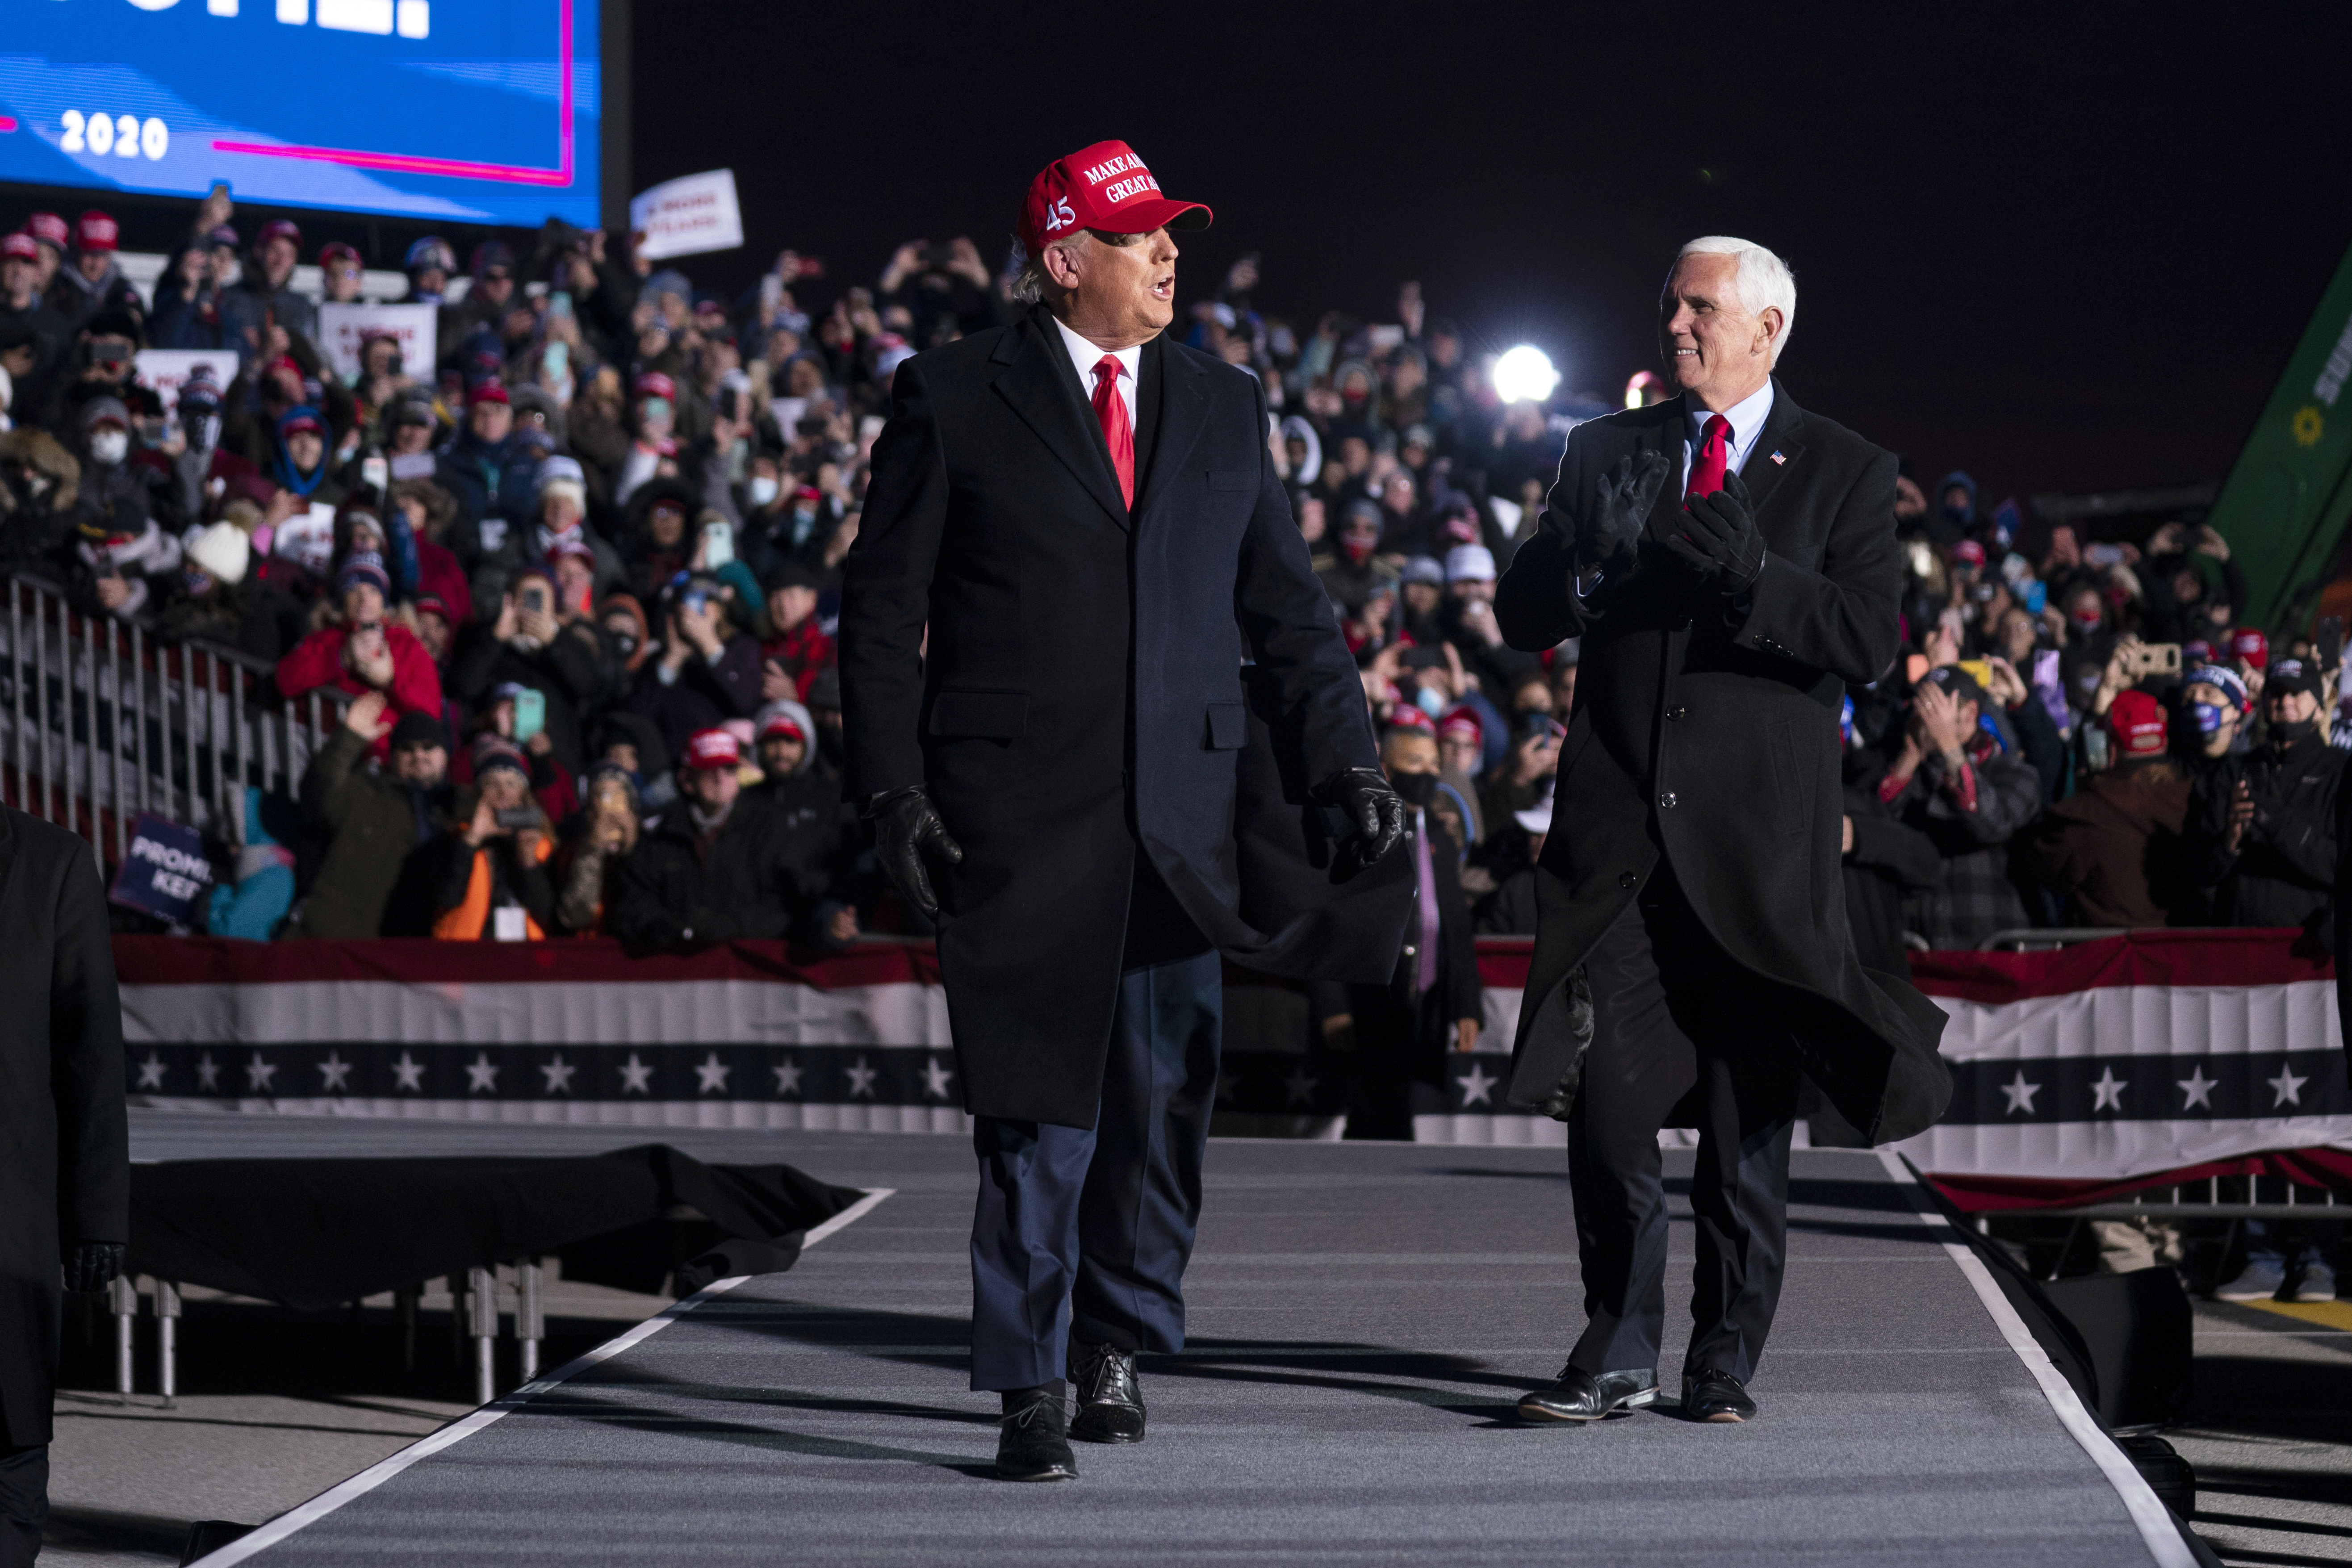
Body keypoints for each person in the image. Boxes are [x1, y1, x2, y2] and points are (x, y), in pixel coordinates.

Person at [838, 141, 1406, 1482]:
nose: (1168, 253)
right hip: (1012, 817)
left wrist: (1352, 763)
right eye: (1138, 232)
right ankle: (1029, 1376)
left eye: (1171, 233)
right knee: (1038, 1109)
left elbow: (1290, 612)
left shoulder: (1225, 404)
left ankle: (1120, 1337)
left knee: (1161, 1101)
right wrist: (889, 788)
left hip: (1183, 820)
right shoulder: (949, 396)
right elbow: (879, 616)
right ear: (1061, 258)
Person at [1490, 236, 1949, 1426]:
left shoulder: (1846, 467)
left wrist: (1756, 574)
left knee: (1746, 1127)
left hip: (1755, 856)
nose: (1676, 326)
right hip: (1619, 844)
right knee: (1605, 1104)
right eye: (1668, 306)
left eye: (1700, 309)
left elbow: (1861, 639)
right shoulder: (1602, 450)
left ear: (1769, 327)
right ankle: (1618, 1338)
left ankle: (1722, 1358)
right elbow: (1521, 609)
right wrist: (1584, 573)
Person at [0, 804, 127, 1566]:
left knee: (11, 1444)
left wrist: (98, 1212)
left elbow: (91, 1050)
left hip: (11, 1221)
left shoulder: (53, 864)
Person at [1314, 724, 1482, 1138]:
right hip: (1369, 997)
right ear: (1387, 770)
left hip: (1424, 1000)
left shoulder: (1441, 837)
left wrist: (1467, 1005)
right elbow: (1330, 923)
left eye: (1433, 763)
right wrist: (1332, 1003)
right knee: (1369, 1115)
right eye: (1415, 762)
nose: (1427, 772)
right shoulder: (1359, 836)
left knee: (1406, 1112)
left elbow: (1456, 929)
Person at [1874, 665, 2043, 948]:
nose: (1926, 717)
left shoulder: (2015, 774)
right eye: (1922, 707)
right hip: (1917, 943)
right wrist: (1911, 755)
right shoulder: (1915, 773)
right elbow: (1877, 826)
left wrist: (1949, 746)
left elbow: (1991, 824)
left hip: (1989, 942)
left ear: (1969, 714)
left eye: (1937, 709)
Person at [2189, 656, 2344, 934]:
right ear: (2263, 705)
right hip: (2239, 948)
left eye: (2297, 693)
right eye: (2276, 693)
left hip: (2308, 954)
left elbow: (2340, 865)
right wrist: (2229, 844)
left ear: (2320, 710)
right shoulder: (2235, 770)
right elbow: (2197, 871)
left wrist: (2281, 825)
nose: (2285, 702)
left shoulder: (2341, 771)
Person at [612, 728, 795, 946]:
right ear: (687, 779)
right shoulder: (660, 833)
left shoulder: (767, 828)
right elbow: (633, 902)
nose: (720, 778)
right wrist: (665, 929)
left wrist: (734, 926)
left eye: (729, 769)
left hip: (746, 969)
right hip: (676, 967)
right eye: (709, 769)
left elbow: (785, 902)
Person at [290, 696, 453, 938]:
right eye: (407, 748)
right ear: (393, 757)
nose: (418, 755)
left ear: (446, 754)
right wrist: (348, 738)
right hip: (336, 945)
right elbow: (317, 796)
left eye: (428, 746)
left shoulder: (460, 810)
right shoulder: (366, 794)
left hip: (417, 953)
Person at [2029, 690, 2195, 927]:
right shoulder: (2196, 801)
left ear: (2111, 750)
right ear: (2165, 742)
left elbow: (2050, 872)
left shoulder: (2086, 812)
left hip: (2110, 957)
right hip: (2182, 955)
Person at [431, 734, 556, 941]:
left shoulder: (539, 842)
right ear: (480, 791)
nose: (503, 792)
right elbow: (445, 898)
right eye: (493, 783)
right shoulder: (457, 838)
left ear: (523, 793)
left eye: (511, 784)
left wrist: (528, 863)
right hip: (469, 954)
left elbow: (548, 912)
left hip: (524, 955)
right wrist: (471, 841)